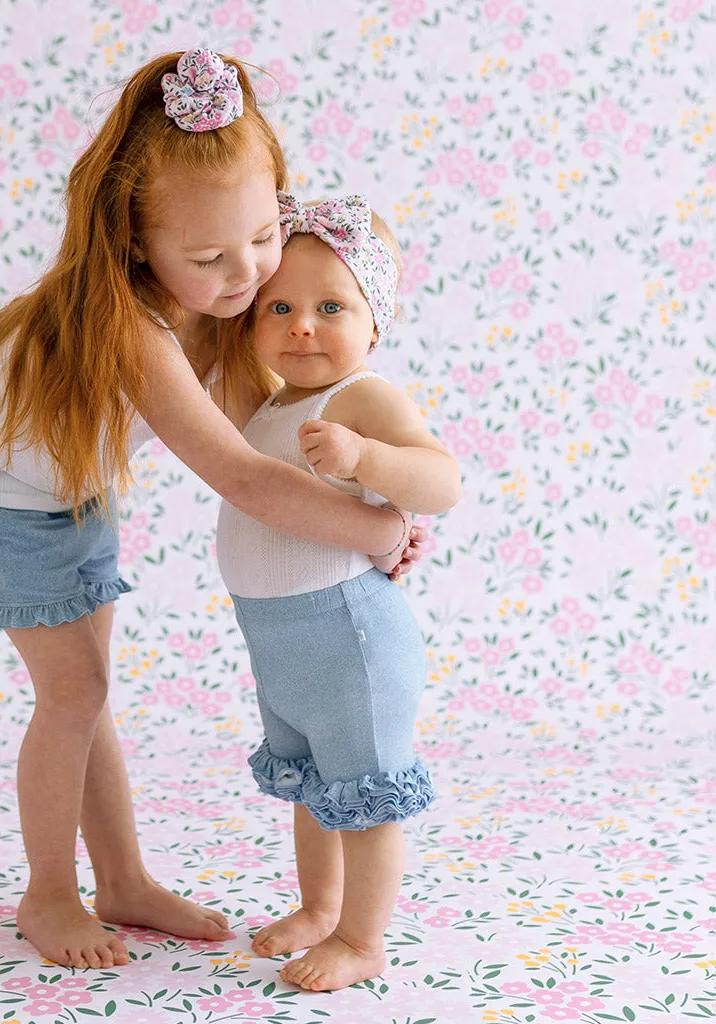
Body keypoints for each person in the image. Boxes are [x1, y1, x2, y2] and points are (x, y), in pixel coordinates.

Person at [0, 49, 424, 970]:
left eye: (265, 234)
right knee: (71, 693)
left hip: (73, 476)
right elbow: (242, 476)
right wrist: (373, 529)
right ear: (134, 243)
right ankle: (48, 892)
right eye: (208, 257)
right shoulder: (132, 326)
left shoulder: (226, 295)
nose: (247, 275)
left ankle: (120, 878)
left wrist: (380, 482)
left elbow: (274, 431)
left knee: (91, 692)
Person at [215, 192, 461, 991]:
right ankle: (319, 909)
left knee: (367, 793)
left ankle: (361, 938)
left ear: (374, 319)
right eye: (279, 306)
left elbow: (442, 479)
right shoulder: (272, 401)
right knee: (316, 790)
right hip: (280, 642)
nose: (301, 325)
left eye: (331, 306)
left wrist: (366, 460)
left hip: (347, 635)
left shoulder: (359, 395)